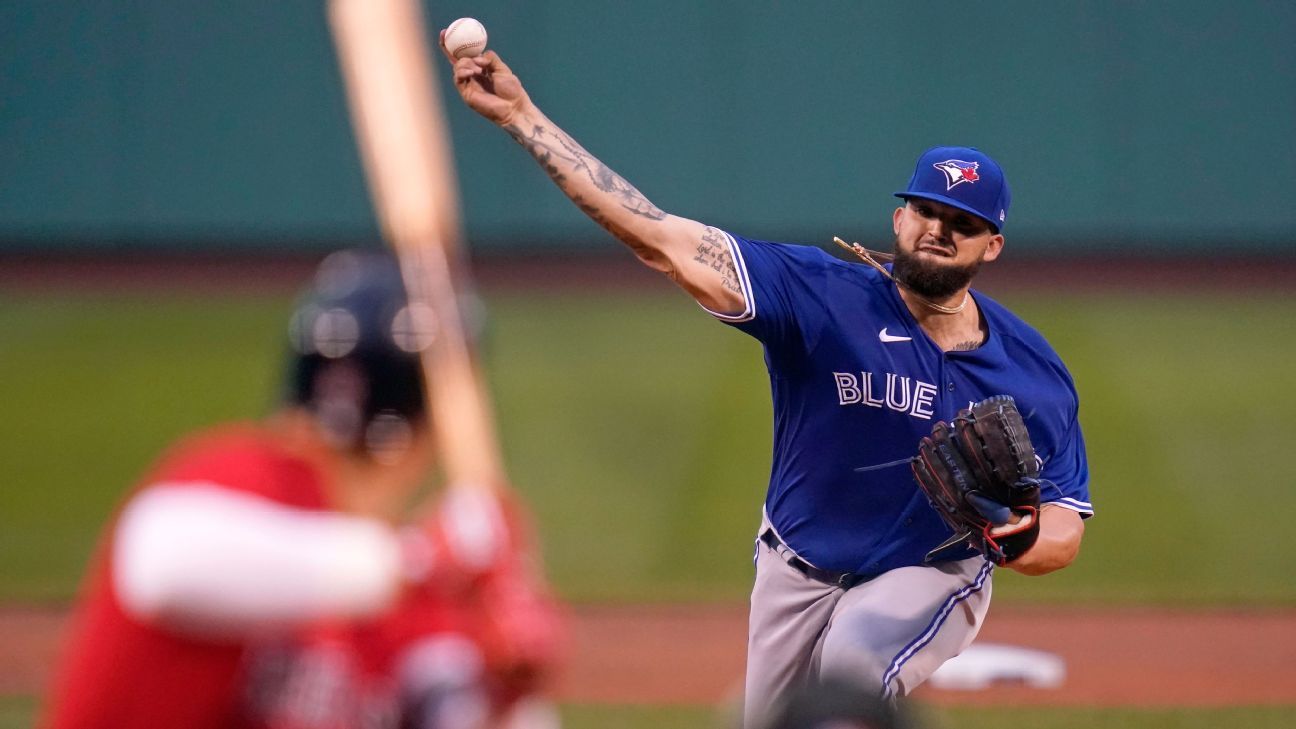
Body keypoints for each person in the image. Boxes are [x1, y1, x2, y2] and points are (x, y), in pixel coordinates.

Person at [440, 43, 1092, 726]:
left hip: (931, 571)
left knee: (850, 675)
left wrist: (1012, 538)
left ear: (991, 246)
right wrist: (521, 115)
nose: (939, 230)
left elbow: (1064, 527)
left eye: (963, 224)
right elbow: (660, 238)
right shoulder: (822, 296)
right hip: (794, 562)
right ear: (899, 218)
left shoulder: (1032, 372)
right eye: (927, 211)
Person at [41, 250, 562, 729]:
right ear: (428, 432)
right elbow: (161, 564)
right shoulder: (241, 480)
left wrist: (506, 688)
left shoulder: (415, 590)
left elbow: (455, 708)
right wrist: (415, 562)